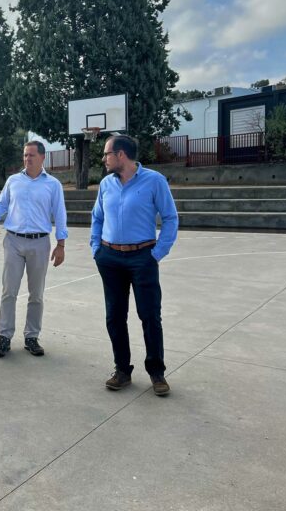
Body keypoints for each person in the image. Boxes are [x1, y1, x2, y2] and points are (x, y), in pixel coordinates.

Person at [90, 134, 178, 396]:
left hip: (143, 258)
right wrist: (96, 248)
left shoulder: (154, 181)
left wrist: (157, 253)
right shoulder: (106, 184)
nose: (103, 159)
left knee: (149, 315)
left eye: (106, 154)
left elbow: (170, 218)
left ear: (121, 155)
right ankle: (122, 370)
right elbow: (97, 218)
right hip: (110, 258)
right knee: (115, 316)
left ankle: (156, 372)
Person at [0, 141, 68, 358]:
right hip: (13, 241)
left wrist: (61, 244)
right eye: (25, 155)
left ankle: (31, 337)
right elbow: (1, 206)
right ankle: (4, 336)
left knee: (36, 294)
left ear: (42, 157)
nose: (27, 159)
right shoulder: (13, 180)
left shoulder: (53, 184)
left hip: (40, 242)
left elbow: (60, 214)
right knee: (9, 291)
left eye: (31, 155)